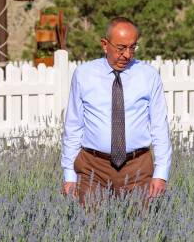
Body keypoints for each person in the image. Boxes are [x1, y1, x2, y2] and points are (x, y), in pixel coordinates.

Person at [60, 16, 172, 205]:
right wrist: (69, 175)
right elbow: (73, 126)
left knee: (142, 229)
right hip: (92, 169)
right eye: (121, 48)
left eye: (132, 47)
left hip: (138, 168)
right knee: (88, 229)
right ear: (105, 44)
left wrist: (161, 174)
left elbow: (160, 127)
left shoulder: (148, 76)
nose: (127, 55)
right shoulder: (84, 75)